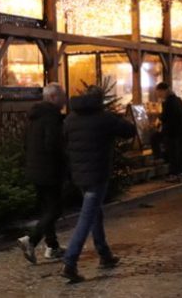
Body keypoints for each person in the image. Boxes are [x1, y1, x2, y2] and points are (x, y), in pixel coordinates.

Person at [60, 85, 136, 283]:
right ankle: (70, 261)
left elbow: (64, 142)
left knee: (94, 213)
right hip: (97, 175)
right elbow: (129, 131)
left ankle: (104, 253)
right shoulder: (105, 118)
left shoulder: (70, 118)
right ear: (100, 100)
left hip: (79, 175)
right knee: (86, 217)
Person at [17, 83, 67, 264]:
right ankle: (31, 240)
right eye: (63, 96)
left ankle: (52, 246)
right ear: (53, 97)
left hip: (35, 169)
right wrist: (65, 161)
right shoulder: (51, 117)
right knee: (55, 209)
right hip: (49, 170)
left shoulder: (35, 116)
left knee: (47, 210)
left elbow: (26, 142)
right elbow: (53, 145)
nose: (65, 100)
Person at [155, 82, 182, 182]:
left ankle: (173, 174)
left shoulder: (168, 102)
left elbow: (165, 117)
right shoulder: (178, 100)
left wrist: (159, 118)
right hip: (179, 130)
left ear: (164, 90)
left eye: (159, 92)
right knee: (177, 153)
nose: (159, 95)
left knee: (173, 153)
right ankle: (180, 173)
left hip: (171, 131)